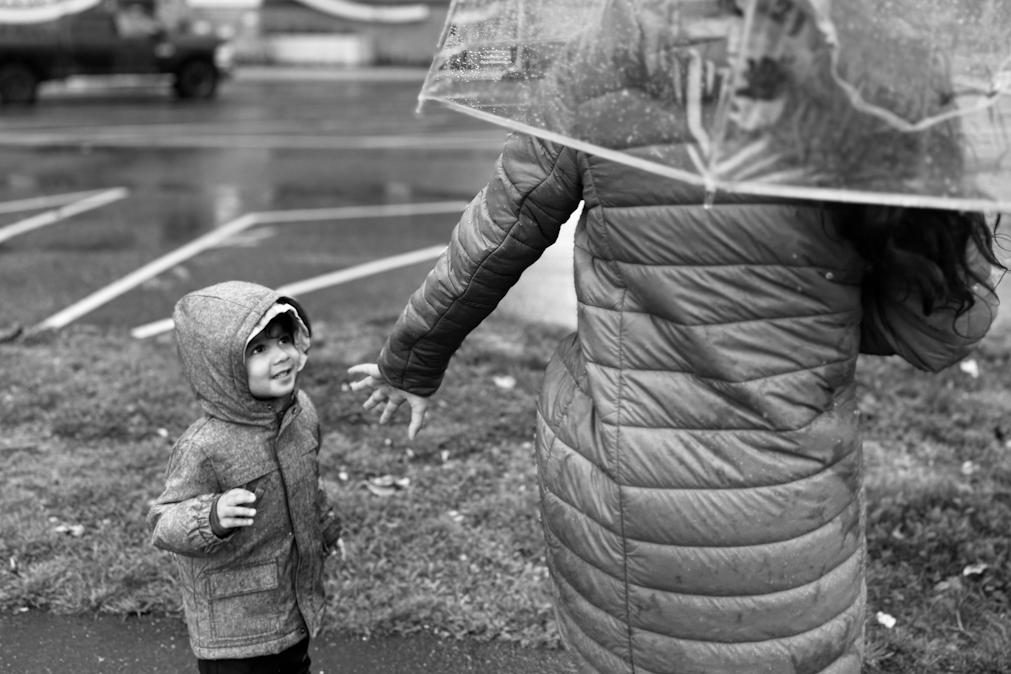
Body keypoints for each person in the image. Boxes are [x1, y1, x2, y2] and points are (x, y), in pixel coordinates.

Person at [348, 2, 1004, 673]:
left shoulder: (598, 67)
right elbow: (943, 328)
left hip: (622, 485)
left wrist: (411, 360)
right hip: (789, 499)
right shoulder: (871, 92)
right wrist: (808, 313)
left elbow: (496, 236)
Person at [148, 281, 342, 674]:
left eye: (285, 339)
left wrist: (324, 525)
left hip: (293, 604)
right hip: (233, 630)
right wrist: (211, 517)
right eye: (259, 349)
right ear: (221, 366)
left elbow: (307, 482)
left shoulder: (301, 414)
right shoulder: (205, 447)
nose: (282, 356)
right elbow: (163, 523)